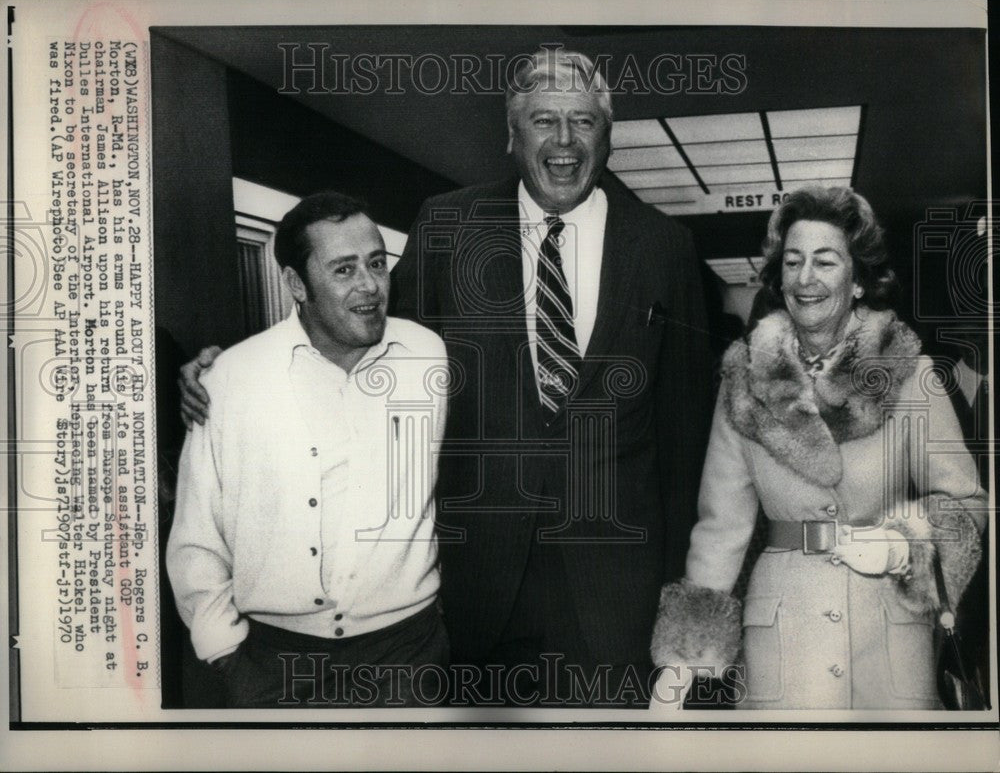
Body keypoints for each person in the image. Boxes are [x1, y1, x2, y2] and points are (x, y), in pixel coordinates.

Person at [181, 47, 713, 707]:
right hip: (474, 594)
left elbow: (688, 442)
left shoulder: (663, 246)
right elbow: (361, 352)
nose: (565, 142)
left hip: (616, 598)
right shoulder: (448, 227)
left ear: (609, 134)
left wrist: (680, 614)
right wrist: (229, 372)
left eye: (584, 121)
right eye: (545, 120)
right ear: (511, 133)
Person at [649, 186, 987, 710]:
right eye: (793, 261)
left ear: (857, 281)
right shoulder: (745, 379)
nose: (806, 278)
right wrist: (681, 666)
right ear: (778, 278)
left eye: (825, 261)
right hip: (783, 636)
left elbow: (967, 505)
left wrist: (906, 546)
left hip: (889, 635)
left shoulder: (911, 375)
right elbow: (722, 528)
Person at [167, 191, 450, 708]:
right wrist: (224, 654)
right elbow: (195, 538)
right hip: (273, 668)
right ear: (296, 283)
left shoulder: (430, 356)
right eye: (343, 270)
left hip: (407, 658)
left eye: (377, 264)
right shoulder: (231, 379)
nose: (369, 286)